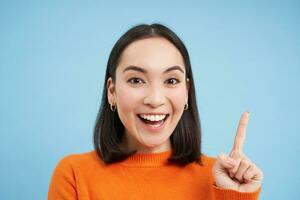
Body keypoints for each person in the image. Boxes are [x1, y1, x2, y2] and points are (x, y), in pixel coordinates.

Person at [48, 23, 263, 200]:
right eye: (136, 80)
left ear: (186, 91)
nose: (155, 99)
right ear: (112, 91)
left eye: (171, 80)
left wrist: (235, 197)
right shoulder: (74, 174)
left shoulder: (220, 180)